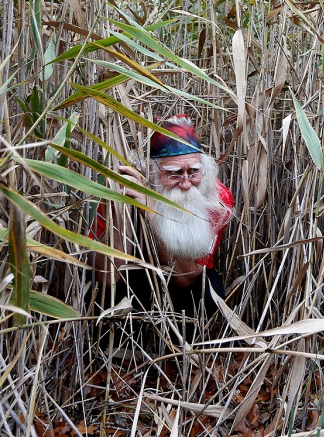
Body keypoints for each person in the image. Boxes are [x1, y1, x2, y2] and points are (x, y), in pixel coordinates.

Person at [89, 114, 235, 318]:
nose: (185, 183)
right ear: (151, 173)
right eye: (174, 173)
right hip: (133, 273)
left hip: (181, 276)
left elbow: (188, 276)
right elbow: (107, 277)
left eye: (193, 172)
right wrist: (121, 207)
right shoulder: (123, 190)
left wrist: (152, 214)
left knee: (207, 291)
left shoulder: (217, 198)